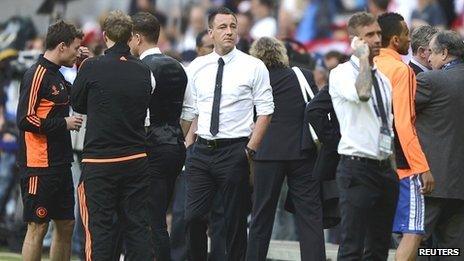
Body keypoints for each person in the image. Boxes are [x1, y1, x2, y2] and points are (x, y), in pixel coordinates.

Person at [181, 7, 274, 261]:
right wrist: (186, 143)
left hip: (235, 150)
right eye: (222, 27)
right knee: (193, 217)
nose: (229, 32)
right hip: (201, 151)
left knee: (234, 222)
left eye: (233, 26)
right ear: (210, 33)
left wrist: (249, 150)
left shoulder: (253, 66)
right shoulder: (197, 67)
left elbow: (266, 111)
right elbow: (190, 109)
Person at [71, 10, 155, 260]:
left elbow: (78, 104)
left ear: (105, 35)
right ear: (130, 36)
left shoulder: (91, 66)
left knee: (100, 231)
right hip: (136, 158)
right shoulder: (143, 70)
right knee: (138, 229)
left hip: (100, 162)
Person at [246, 36, 325, 261]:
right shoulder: (304, 75)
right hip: (301, 153)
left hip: (266, 153)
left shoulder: (253, 79)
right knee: (310, 216)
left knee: (261, 216)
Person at [329, 12, 399, 260]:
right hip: (357, 167)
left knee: (379, 247)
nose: (378, 39)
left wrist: (391, 166)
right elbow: (362, 93)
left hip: (384, 169)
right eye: (369, 35)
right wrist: (362, 58)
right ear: (354, 41)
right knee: (352, 246)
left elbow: (387, 123)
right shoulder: (340, 74)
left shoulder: (383, 79)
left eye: (379, 33)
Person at [16, 20, 84, 261]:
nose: (78, 51)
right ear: (62, 46)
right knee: (38, 226)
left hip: (60, 162)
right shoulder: (36, 74)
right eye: (76, 48)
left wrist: (82, 62)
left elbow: (80, 94)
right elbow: (25, 119)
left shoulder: (58, 76)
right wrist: (63, 124)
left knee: (66, 224)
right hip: (38, 164)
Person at [374, 12, 434, 261]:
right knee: (413, 231)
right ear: (396, 40)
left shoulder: (367, 65)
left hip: (366, 162)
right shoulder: (401, 70)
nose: (410, 39)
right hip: (401, 165)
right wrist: (421, 167)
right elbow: (403, 123)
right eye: (407, 34)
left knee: (372, 233)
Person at [128, 11, 187, 260]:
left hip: (149, 147)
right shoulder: (179, 67)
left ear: (138, 38)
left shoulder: (141, 69)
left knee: (149, 219)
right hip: (174, 145)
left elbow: (139, 113)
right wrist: (174, 135)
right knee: (158, 215)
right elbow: (190, 111)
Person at [415, 30, 464, 259]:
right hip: (459, 186)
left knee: (415, 243)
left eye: (433, 53)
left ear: (444, 53)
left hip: (430, 182)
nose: (429, 59)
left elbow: (400, 115)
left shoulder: (429, 80)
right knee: (452, 250)